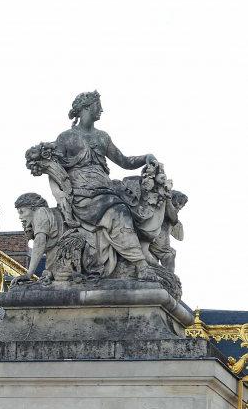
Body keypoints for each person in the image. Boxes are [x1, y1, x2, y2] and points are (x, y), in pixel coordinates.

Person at [52, 90, 158, 280]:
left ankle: (140, 262)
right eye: (97, 106)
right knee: (119, 212)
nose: (101, 110)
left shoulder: (103, 137)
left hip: (104, 191)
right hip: (81, 195)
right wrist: (58, 195)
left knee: (125, 208)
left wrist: (145, 158)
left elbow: (124, 161)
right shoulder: (65, 138)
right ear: (86, 107)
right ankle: (141, 265)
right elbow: (53, 168)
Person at [10, 193, 63, 285]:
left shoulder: (40, 212)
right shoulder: (45, 214)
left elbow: (39, 242)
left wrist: (29, 274)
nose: (20, 217)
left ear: (34, 208)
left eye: (22, 212)